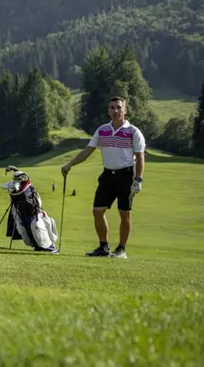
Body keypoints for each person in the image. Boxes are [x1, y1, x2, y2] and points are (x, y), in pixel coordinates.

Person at [60, 96, 145, 258]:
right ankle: (103, 247)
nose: (115, 110)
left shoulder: (133, 132)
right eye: (112, 107)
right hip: (107, 175)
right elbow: (87, 151)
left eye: (119, 107)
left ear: (125, 110)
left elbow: (140, 158)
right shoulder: (102, 130)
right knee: (97, 211)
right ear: (108, 111)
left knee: (124, 213)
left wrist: (138, 179)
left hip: (126, 176)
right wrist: (70, 164)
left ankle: (121, 249)